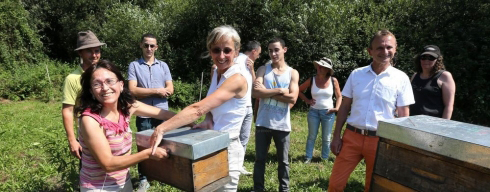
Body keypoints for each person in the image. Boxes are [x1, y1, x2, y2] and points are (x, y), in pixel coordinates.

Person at [150, 25, 250, 192]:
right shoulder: (217, 73)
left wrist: (161, 128)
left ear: (237, 51)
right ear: (210, 50)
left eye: (227, 50)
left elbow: (198, 108)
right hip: (211, 143)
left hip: (228, 150)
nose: (221, 55)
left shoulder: (237, 79)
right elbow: (212, 106)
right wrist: (209, 120)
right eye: (216, 50)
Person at [328, 30, 415, 192]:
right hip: (351, 138)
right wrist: (336, 136)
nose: (385, 52)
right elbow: (345, 106)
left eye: (389, 47)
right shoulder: (357, 74)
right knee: (335, 184)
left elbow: (403, 115)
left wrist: (400, 146)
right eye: (379, 48)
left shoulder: (401, 78)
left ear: (395, 49)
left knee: (373, 187)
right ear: (370, 51)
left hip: (381, 141)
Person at [75, 60, 174, 191]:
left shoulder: (126, 107)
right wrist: (148, 154)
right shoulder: (91, 120)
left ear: (121, 85)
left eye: (110, 81)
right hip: (98, 187)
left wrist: (189, 121)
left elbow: (162, 113)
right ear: (91, 91)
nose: (105, 88)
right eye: (97, 84)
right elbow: (108, 164)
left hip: (123, 181)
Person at [252, 38, 300, 192]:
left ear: (284, 50)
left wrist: (266, 92)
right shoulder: (262, 69)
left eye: (276, 50)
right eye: (270, 50)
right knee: (260, 159)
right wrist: (280, 91)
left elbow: (293, 98)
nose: (273, 53)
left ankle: (284, 189)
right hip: (263, 123)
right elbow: (255, 92)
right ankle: (258, 189)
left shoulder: (292, 73)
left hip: (282, 125)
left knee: (283, 161)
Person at [127, 33, 174, 190]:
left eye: (152, 45)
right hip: (143, 113)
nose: (149, 48)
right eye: (146, 45)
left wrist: (158, 91)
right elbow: (132, 90)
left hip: (162, 113)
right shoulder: (134, 66)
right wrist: (156, 91)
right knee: (145, 145)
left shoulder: (163, 66)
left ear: (156, 47)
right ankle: (144, 178)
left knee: (165, 143)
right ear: (141, 45)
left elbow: (170, 89)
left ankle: (163, 175)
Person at [62, 30, 105, 160]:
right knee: (90, 173)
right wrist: (72, 140)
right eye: (89, 51)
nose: (94, 55)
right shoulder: (72, 78)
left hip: (109, 131)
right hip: (87, 135)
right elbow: (68, 110)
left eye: (97, 50)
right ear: (80, 53)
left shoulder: (104, 73)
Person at [297, 57, 342, 163]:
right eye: (319, 66)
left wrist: (337, 108)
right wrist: (307, 101)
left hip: (328, 112)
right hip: (313, 112)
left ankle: (324, 158)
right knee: (311, 136)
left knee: (326, 137)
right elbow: (298, 90)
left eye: (322, 67)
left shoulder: (333, 80)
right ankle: (308, 157)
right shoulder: (312, 79)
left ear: (327, 70)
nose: (319, 68)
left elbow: (339, 96)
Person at [410, 45, 455, 119]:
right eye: (423, 57)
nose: (426, 61)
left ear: (438, 60)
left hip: (433, 124)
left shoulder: (445, 76)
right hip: (412, 122)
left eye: (431, 58)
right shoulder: (415, 76)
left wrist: (443, 126)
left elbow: (449, 106)